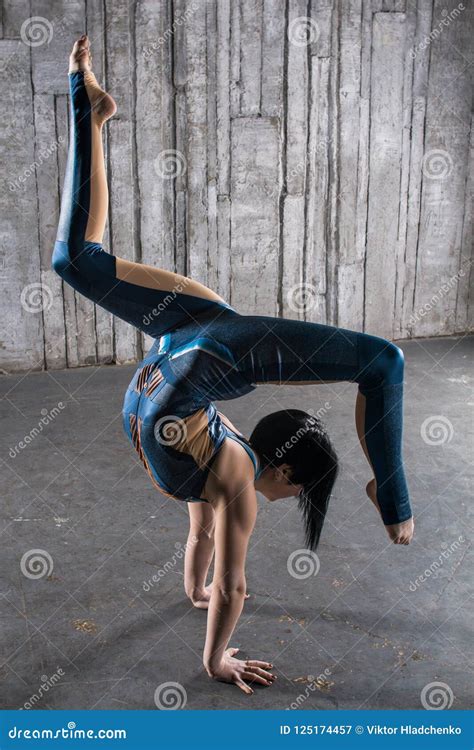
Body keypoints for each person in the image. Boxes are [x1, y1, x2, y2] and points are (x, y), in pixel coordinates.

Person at [52, 36, 414, 695]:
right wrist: (216, 658)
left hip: (184, 328)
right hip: (217, 349)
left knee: (75, 262)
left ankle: (88, 105)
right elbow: (238, 584)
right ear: (280, 470)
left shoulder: (213, 475)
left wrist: (196, 587)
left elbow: (203, 543)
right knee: (381, 361)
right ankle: (392, 498)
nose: (288, 500)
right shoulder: (240, 486)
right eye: (296, 492)